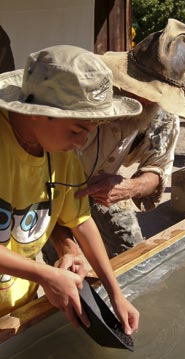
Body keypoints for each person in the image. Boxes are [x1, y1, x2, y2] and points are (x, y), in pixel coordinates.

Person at [0, 44, 141, 334]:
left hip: (16, 307)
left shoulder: (61, 153)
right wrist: (44, 273)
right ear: (38, 112)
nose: (80, 143)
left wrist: (115, 293)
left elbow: (81, 220)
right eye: (77, 130)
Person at [71, 19, 185, 257]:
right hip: (51, 186)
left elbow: (157, 170)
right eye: (140, 87)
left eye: (154, 94)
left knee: (136, 256)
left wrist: (129, 187)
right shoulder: (86, 89)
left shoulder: (162, 112)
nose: (146, 100)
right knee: (61, 260)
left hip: (102, 184)